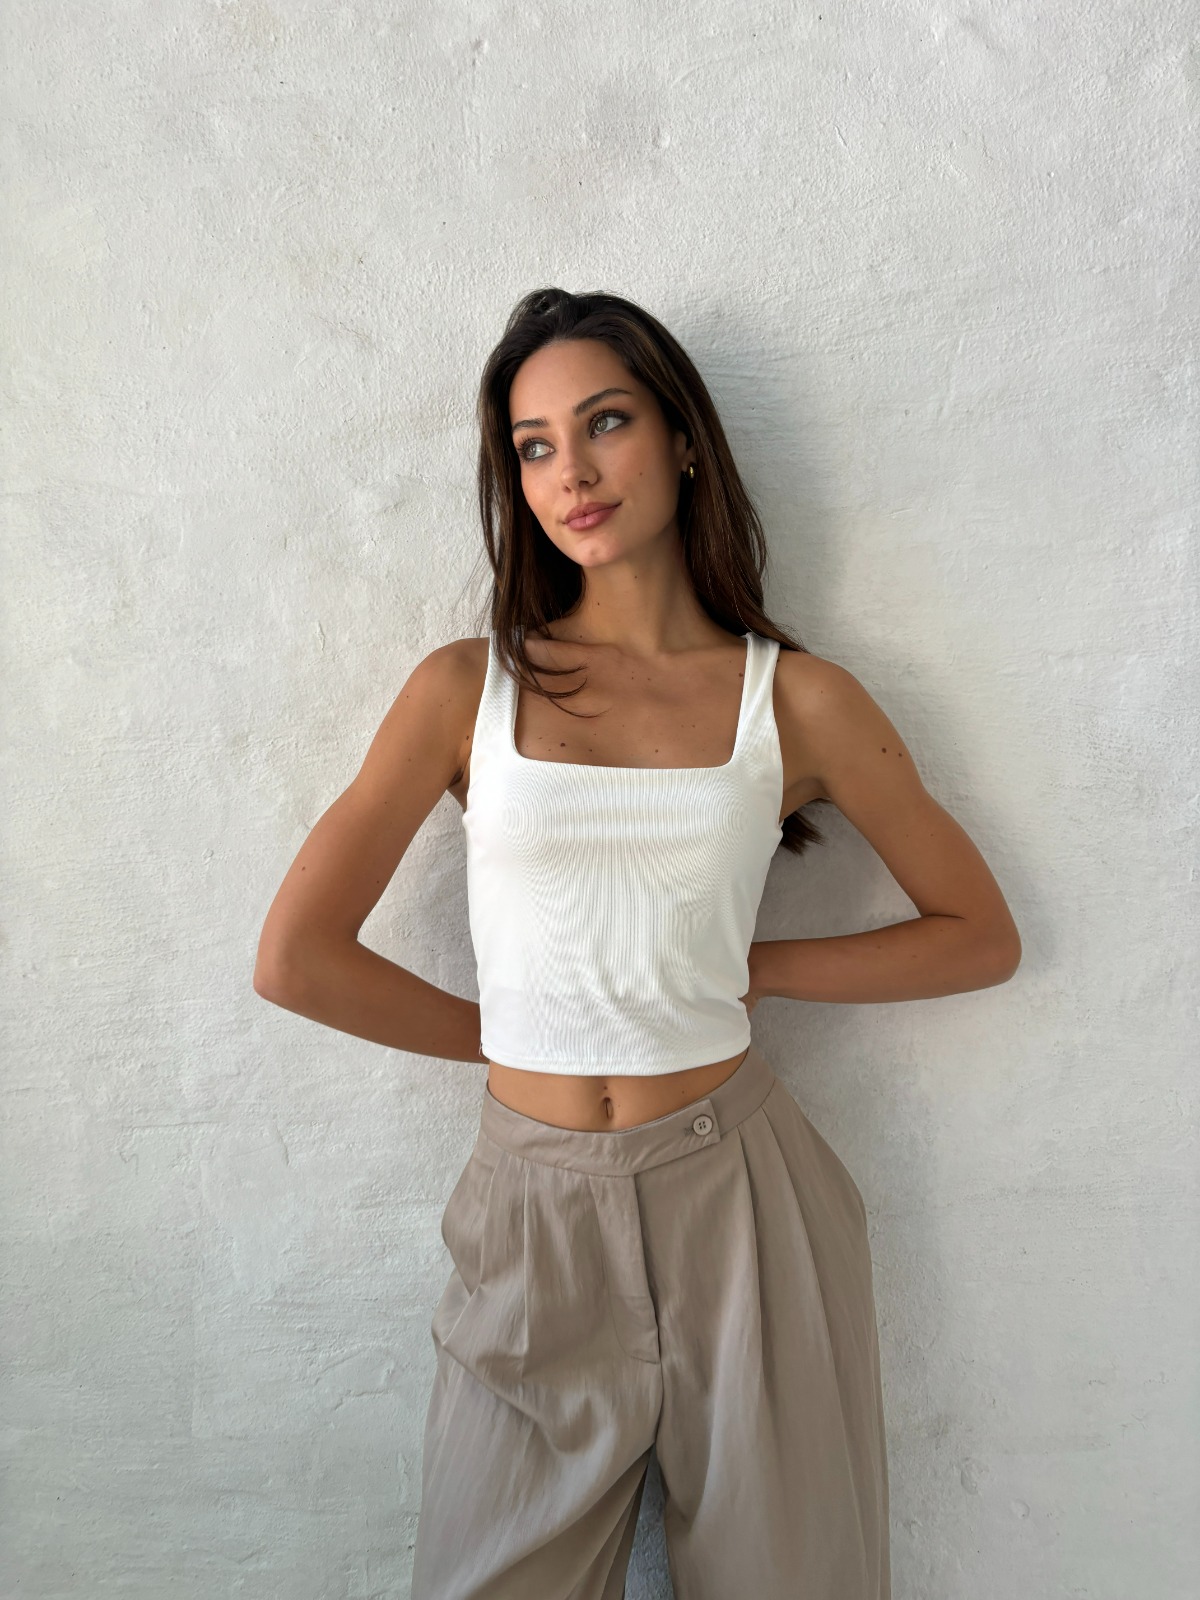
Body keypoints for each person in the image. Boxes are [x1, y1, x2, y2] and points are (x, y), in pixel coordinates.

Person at [254, 288, 1021, 1600]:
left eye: (604, 423)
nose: (572, 471)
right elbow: (298, 957)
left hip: (744, 1199)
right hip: (531, 1207)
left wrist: (755, 970)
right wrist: (513, 1038)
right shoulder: (466, 688)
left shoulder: (800, 700)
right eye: (534, 446)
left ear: (683, 442)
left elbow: (977, 936)